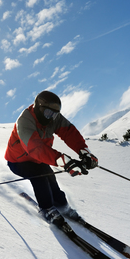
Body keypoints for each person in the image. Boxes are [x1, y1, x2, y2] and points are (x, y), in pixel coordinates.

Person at [5, 90, 98, 224]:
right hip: (18, 161)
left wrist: (84, 152)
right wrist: (64, 161)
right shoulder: (25, 120)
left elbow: (69, 133)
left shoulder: (53, 118)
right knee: (40, 175)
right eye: (48, 113)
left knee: (50, 176)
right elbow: (34, 148)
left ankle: (62, 205)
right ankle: (47, 208)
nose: (50, 117)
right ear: (38, 107)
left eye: (55, 114)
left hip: (39, 159)